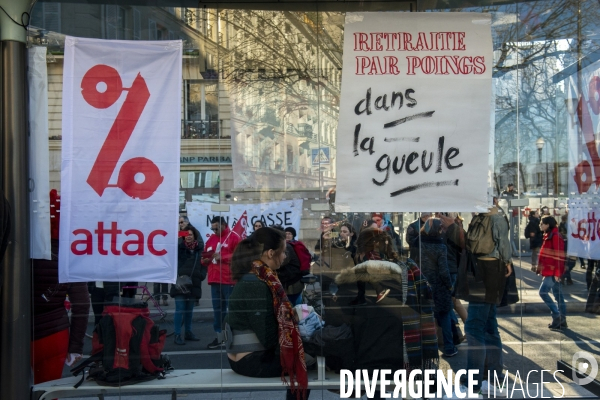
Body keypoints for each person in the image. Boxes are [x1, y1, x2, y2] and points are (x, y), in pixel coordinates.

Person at [226, 227, 309, 400]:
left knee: (305, 355)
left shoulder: (257, 276)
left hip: (246, 357)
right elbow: (269, 337)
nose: (285, 256)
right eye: (284, 252)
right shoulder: (256, 283)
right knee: (307, 362)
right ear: (271, 253)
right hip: (250, 361)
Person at [458, 203, 513, 396]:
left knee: (474, 327)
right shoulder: (489, 216)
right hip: (488, 269)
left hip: (487, 270)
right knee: (489, 326)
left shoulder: (493, 216)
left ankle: (473, 383)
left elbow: (503, 242)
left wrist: (507, 261)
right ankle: (493, 380)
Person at [32, 239, 90, 383]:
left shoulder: (16, 240)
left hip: (12, 334)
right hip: (52, 332)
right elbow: (81, 303)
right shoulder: (67, 250)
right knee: (47, 391)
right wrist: (76, 345)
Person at [418, 218, 457, 357]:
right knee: (445, 316)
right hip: (439, 286)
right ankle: (449, 347)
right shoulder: (441, 247)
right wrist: (449, 286)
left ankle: (426, 349)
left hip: (423, 285)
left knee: (426, 318)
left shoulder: (420, 244)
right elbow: (443, 270)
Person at [202, 216, 241, 349]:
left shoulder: (234, 237)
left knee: (231, 309)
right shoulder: (211, 239)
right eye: (212, 228)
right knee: (218, 310)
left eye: (216, 228)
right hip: (214, 280)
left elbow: (239, 256)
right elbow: (204, 257)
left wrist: (222, 257)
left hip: (228, 279)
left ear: (224, 225)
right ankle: (219, 337)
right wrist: (205, 260)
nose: (214, 231)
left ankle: (233, 336)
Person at [171, 229, 206, 345]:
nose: (189, 236)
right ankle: (177, 334)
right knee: (180, 309)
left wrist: (201, 274)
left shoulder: (199, 249)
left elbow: (204, 263)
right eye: (186, 234)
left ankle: (188, 332)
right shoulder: (178, 248)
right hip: (180, 283)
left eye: (191, 234)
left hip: (194, 283)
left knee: (189, 310)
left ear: (195, 236)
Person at [537, 216, 567, 330]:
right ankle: (562, 320)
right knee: (558, 296)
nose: (540, 225)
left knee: (543, 292)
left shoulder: (554, 236)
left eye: (542, 223)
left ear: (548, 224)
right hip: (551, 270)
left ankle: (557, 316)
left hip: (553, 271)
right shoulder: (548, 235)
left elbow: (559, 256)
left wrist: (557, 273)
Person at [272, 226, 303, 305]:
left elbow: (281, 262)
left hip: (292, 284)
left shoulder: (286, 247)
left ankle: (305, 317)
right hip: (290, 282)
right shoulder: (282, 246)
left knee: (297, 307)